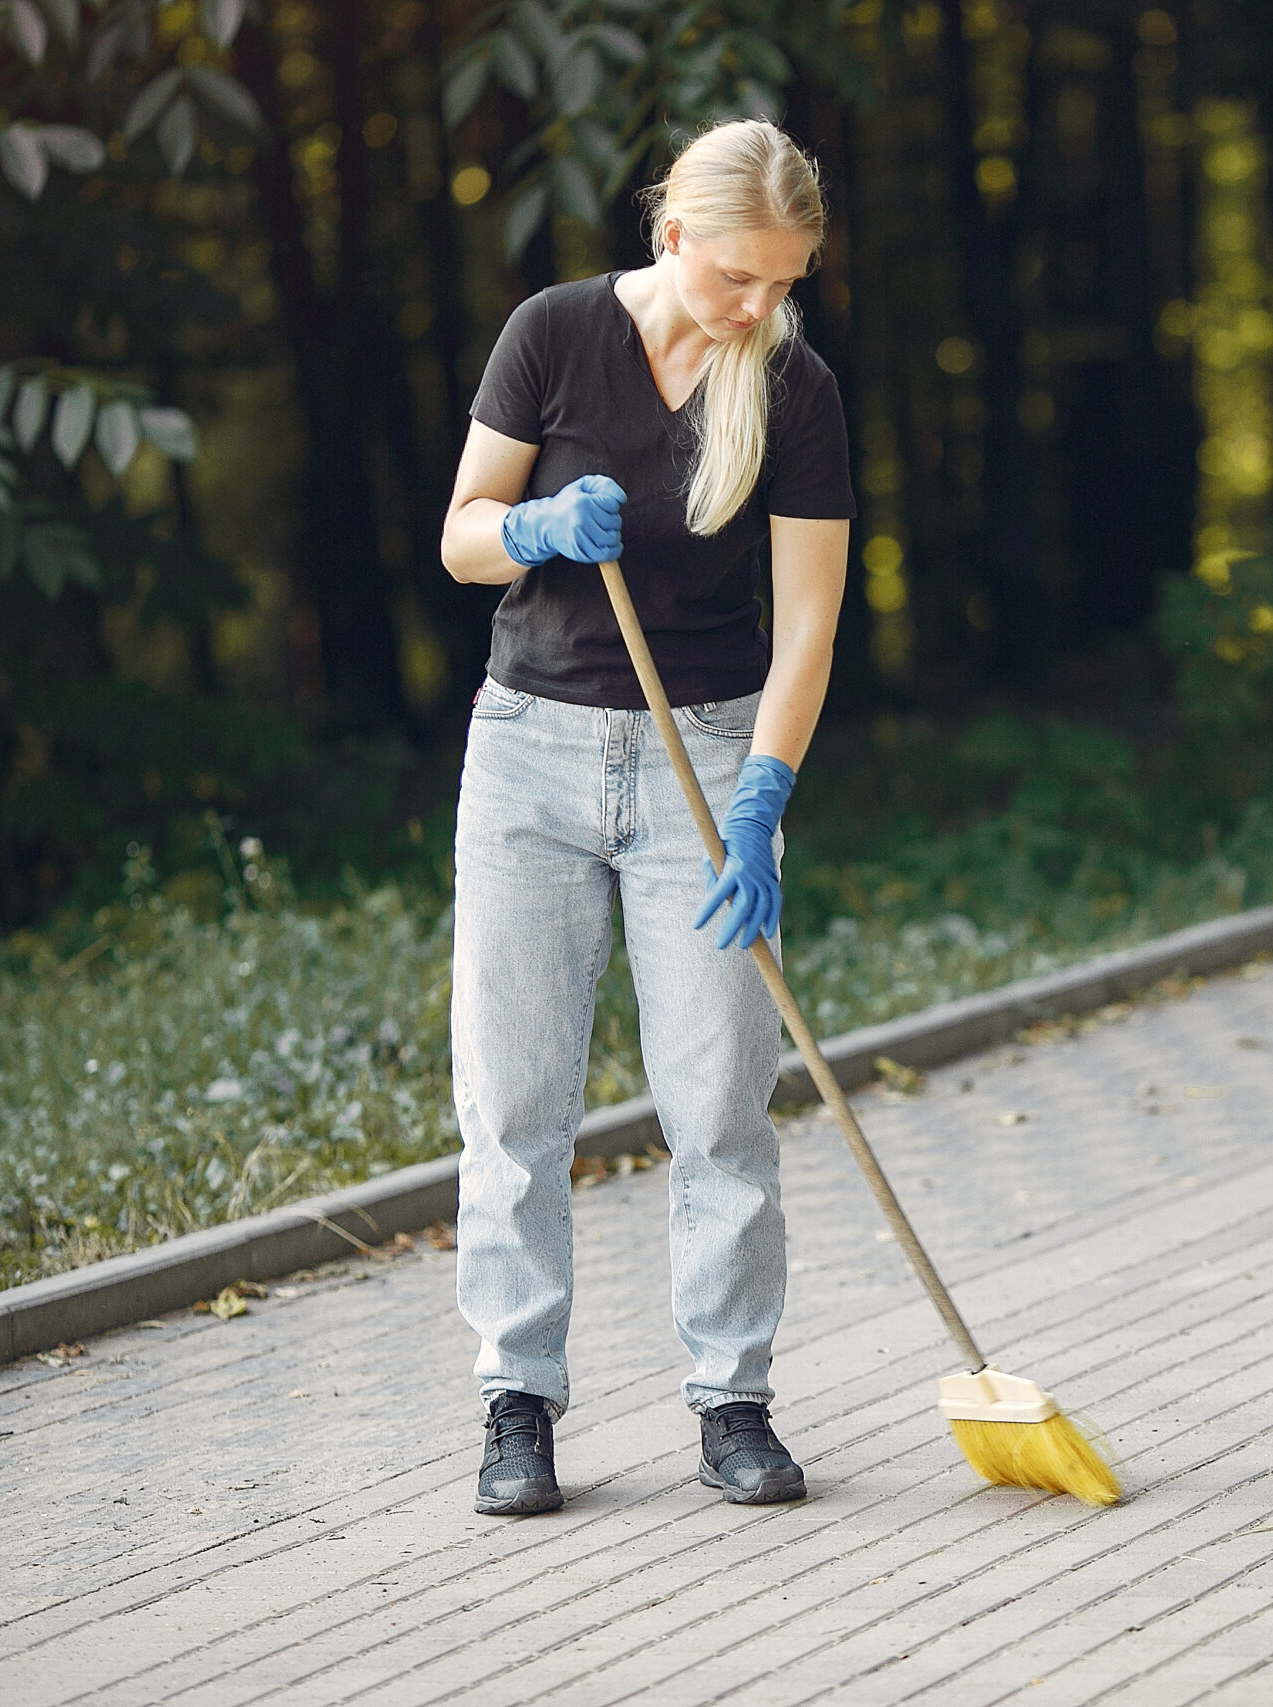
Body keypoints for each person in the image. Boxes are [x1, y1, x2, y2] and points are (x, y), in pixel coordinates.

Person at [436, 119, 852, 1516]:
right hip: (530, 760)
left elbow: (805, 633)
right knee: (515, 1101)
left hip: (709, 760)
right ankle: (517, 1405)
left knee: (722, 1101)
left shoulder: (795, 392)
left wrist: (762, 806)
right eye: (741, 277)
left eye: (784, 283)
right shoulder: (552, 334)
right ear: (672, 233)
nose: (760, 308)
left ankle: (733, 1403)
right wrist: (536, 528)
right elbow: (461, 535)